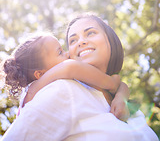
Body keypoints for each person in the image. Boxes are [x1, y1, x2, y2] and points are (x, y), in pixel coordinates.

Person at [1, 14, 159, 140]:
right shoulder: (62, 90)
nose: (80, 43)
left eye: (90, 33)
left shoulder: (121, 102)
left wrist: (121, 93)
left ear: (110, 39)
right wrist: (111, 83)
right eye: (73, 40)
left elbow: (120, 83)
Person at [3, 32, 121, 113]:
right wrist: (111, 83)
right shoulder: (31, 93)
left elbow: (119, 89)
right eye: (60, 52)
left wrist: (121, 95)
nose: (67, 54)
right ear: (40, 74)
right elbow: (70, 67)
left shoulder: (51, 84)